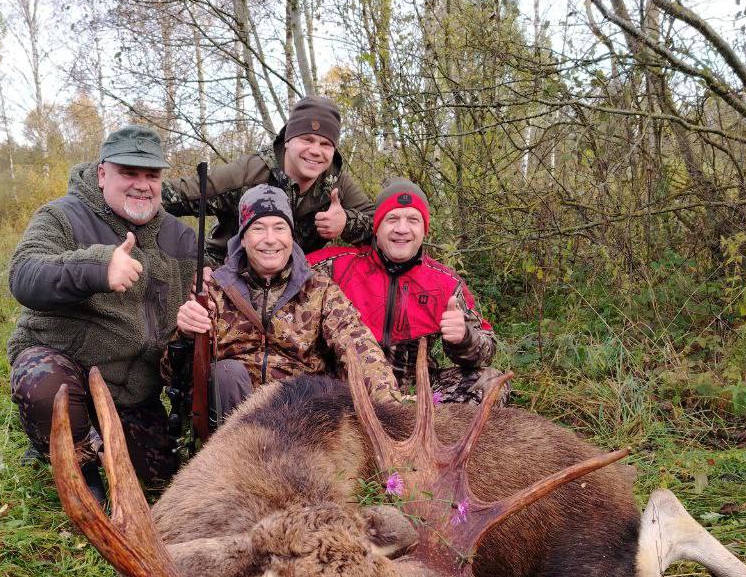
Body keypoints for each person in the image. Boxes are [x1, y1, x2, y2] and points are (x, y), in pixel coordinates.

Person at [6, 126, 197, 493]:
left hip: (134, 391)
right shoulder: (62, 216)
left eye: (152, 175)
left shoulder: (181, 236)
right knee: (44, 386)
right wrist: (96, 267)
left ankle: (102, 440)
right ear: (101, 173)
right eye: (129, 172)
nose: (142, 184)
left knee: (160, 479)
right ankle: (78, 463)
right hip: (69, 367)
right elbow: (24, 274)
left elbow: (222, 273)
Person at [171, 185, 400, 425]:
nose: (270, 240)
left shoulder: (320, 289)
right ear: (243, 238)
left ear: (291, 236)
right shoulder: (213, 290)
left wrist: (392, 411)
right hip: (235, 424)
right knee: (227, 374)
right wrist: (186, 334)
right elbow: (172, 373)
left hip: (302, 417)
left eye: (279, 228)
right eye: (258, 228)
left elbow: (359, 346)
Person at [307, 178, 502, 404]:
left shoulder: (445, 283)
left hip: (415, 395)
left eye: (413, 220)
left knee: (491, 382)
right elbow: (281, 269)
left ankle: (429, 433)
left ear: (424, 229)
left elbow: (487, 347)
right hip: (343, 392)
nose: (402, 229)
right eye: (392, 218)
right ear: (376, 227)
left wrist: (464, 338)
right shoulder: (335, 266)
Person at [163, 95, 374, 264]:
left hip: (294, 280)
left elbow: (385, 227)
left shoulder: (336, 182)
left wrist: (346, 223)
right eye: (307, 140)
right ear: (288, 141)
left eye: (325, 144)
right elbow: (171, 195)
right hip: (227, 272)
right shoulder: (248, 173)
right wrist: (192, 263)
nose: (316, 151)